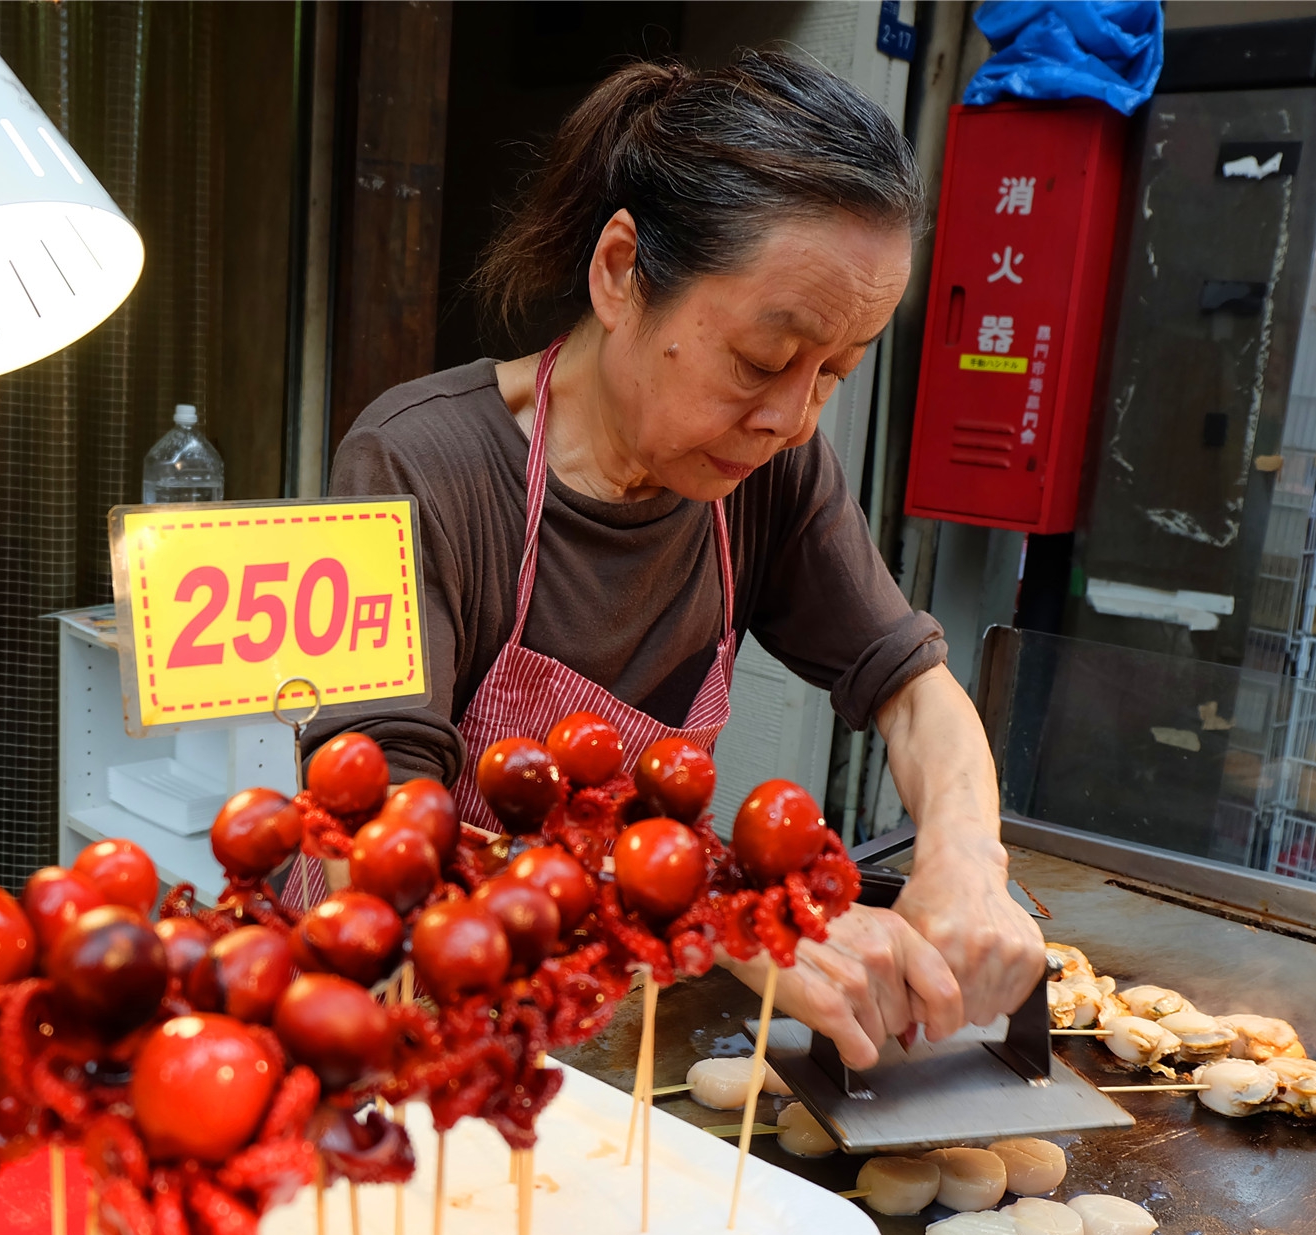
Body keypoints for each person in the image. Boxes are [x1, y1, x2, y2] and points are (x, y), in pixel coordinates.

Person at [308, 52, 1043, 1066]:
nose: (789, 419)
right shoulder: (409, 461)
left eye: (833, 373)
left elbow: (913, 693)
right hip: (408, 1030)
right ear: (619, 272)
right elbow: (385, 842)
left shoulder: (771, 473)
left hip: (605, 1025)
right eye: (759, 360)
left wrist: (965, 855)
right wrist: (729, 920)